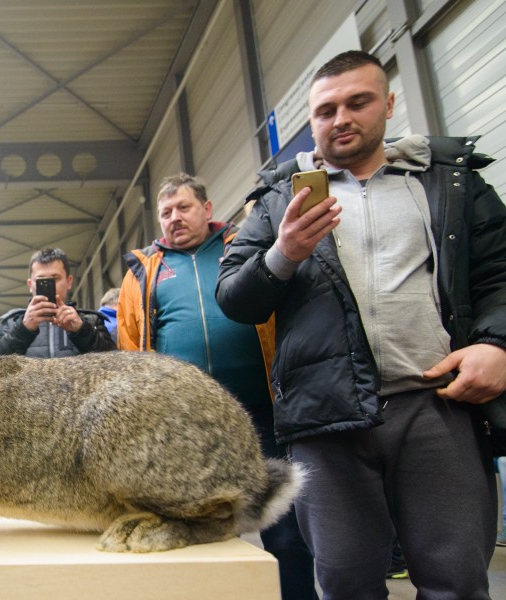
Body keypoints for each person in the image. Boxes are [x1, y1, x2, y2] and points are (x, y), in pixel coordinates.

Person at [215, 50, 506, 599]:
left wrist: (496, 344)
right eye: (326, 110)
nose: (341, 118)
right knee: (345, 583)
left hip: (439, 405)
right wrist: (283, 254)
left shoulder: (450, 184)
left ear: (389, 104)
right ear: (312, 121)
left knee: (458, 582)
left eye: (358, 102)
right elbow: (235, 297)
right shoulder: (279, 201)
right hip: (327, 420)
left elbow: (499, 274)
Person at [117, 173, 317, 600]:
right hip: (183, 429)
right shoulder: (143, 271)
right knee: (186, 527)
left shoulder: (243, 248)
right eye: (166, 212)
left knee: (287, 536)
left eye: (184, 207)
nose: (174, 218)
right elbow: (130, 348)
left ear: (207, 210)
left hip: (262, 411)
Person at [0, 247, 115, 358]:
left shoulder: (92, 321)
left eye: (55, 279)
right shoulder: (11, 323)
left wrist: (81, 330)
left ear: (69, 282)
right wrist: (23, 330)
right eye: (40, 280)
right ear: (30, 284)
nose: (49, 285)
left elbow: (115, 365)